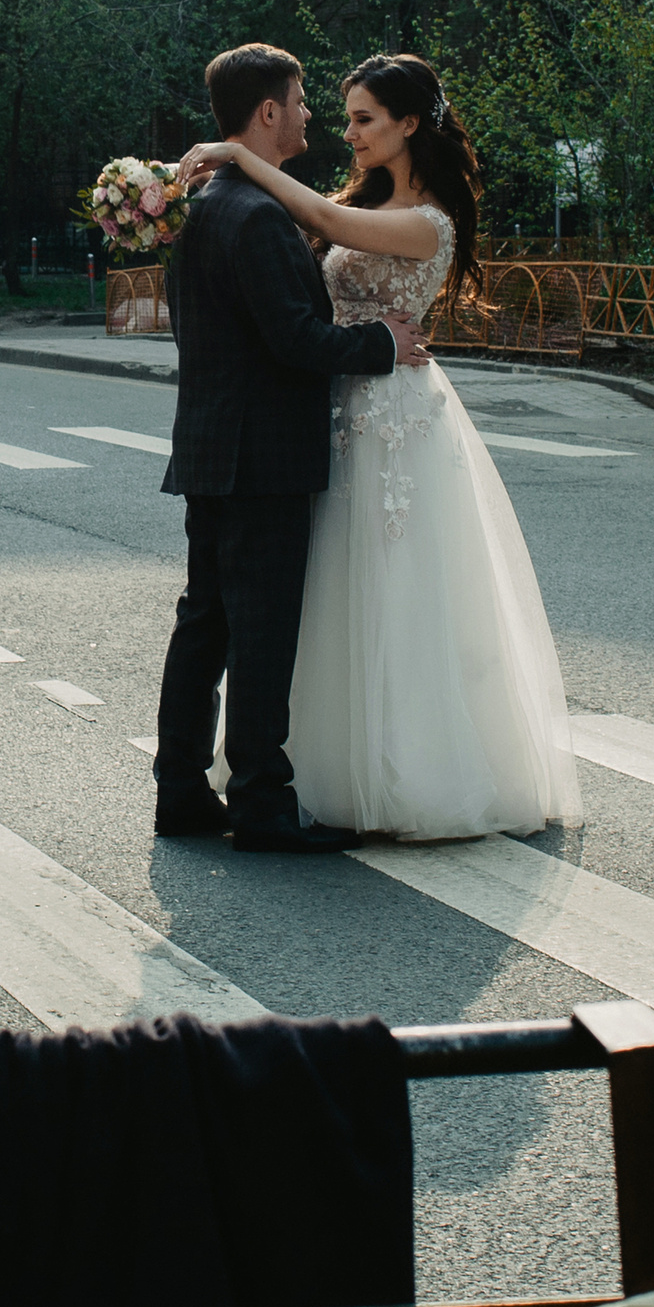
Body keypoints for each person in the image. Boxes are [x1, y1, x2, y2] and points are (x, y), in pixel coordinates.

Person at [176, 55, 580, 839]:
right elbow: (296, 234)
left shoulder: (425, 221)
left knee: (398, 589)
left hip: (395, 413)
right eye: (343, 115)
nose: (348, 133)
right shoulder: (356, 199)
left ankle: (407, 773)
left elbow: (323, 225)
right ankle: (317, 774)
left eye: (364, 119)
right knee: (326, 593)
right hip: (331, 409)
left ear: (409, 125)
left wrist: (233, 154)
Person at [150, 43, 428, 854]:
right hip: (262, 455)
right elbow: (297, 341)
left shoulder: (199, 206)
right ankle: (264, 802)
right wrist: (382, 342)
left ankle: (180, 788)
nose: (309, 115)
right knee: (261, 632)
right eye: (302, 100)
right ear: (266, 113)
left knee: (204, 623)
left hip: (210, 445)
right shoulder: (258, 215)